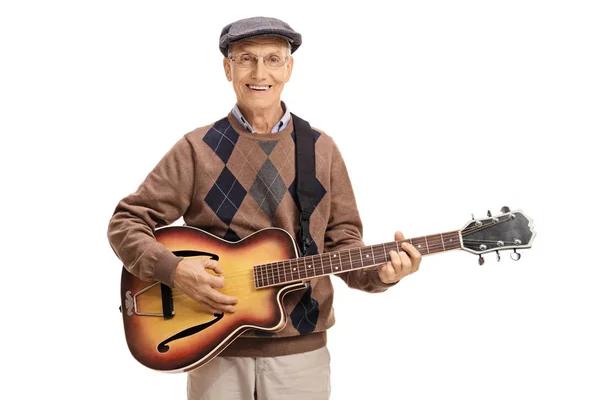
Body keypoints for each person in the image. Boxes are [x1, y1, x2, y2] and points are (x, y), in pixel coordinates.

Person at [107, 16, 422, 400]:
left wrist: (384, 274)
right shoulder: (195, 148)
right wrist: (174, 271)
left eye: (273, 59)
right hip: (213, 351)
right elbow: (126, 222)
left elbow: (343, 247)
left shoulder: (320, 149)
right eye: (246, 59)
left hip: (300, 357)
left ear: (289, 68)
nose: (260, 72)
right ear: (228, 68)